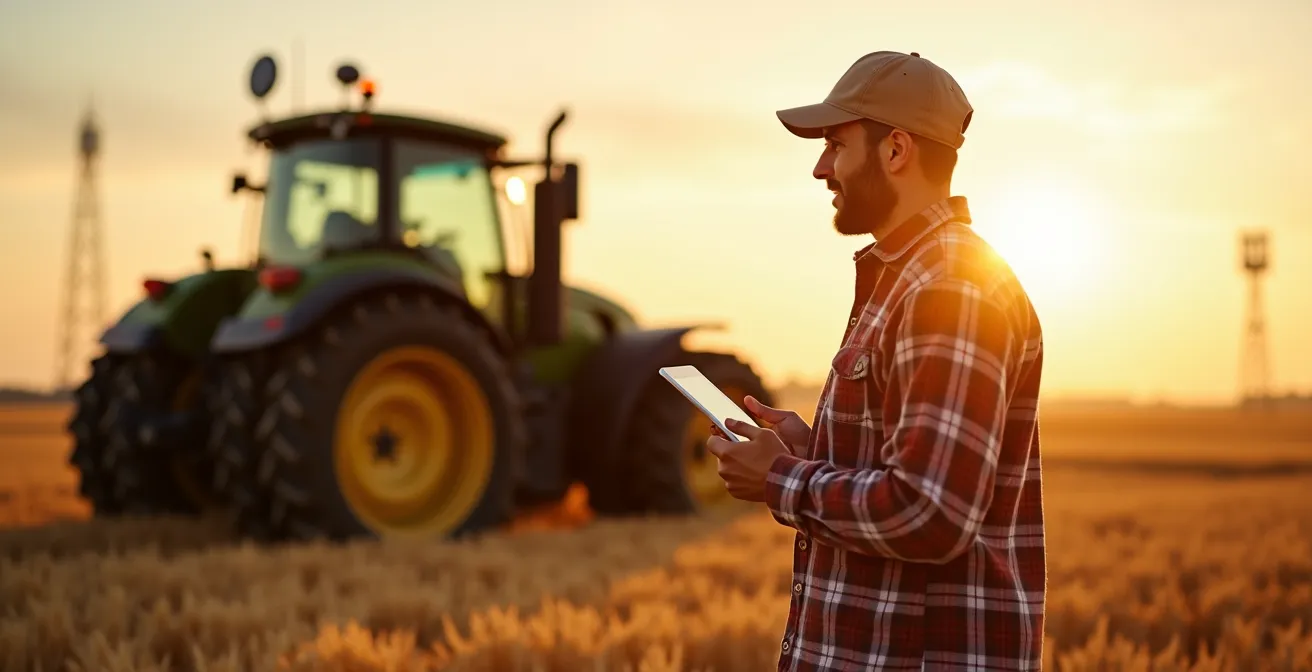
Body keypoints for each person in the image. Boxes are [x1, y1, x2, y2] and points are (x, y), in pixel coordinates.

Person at [705, 50, 1047, 671]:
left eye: (836, 144)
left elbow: (930, 511)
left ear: (895, 151)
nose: (819, 168)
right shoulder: (910, 278)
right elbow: (904, 474)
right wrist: (809, 451)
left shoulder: (949, 287)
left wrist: (778, 480)